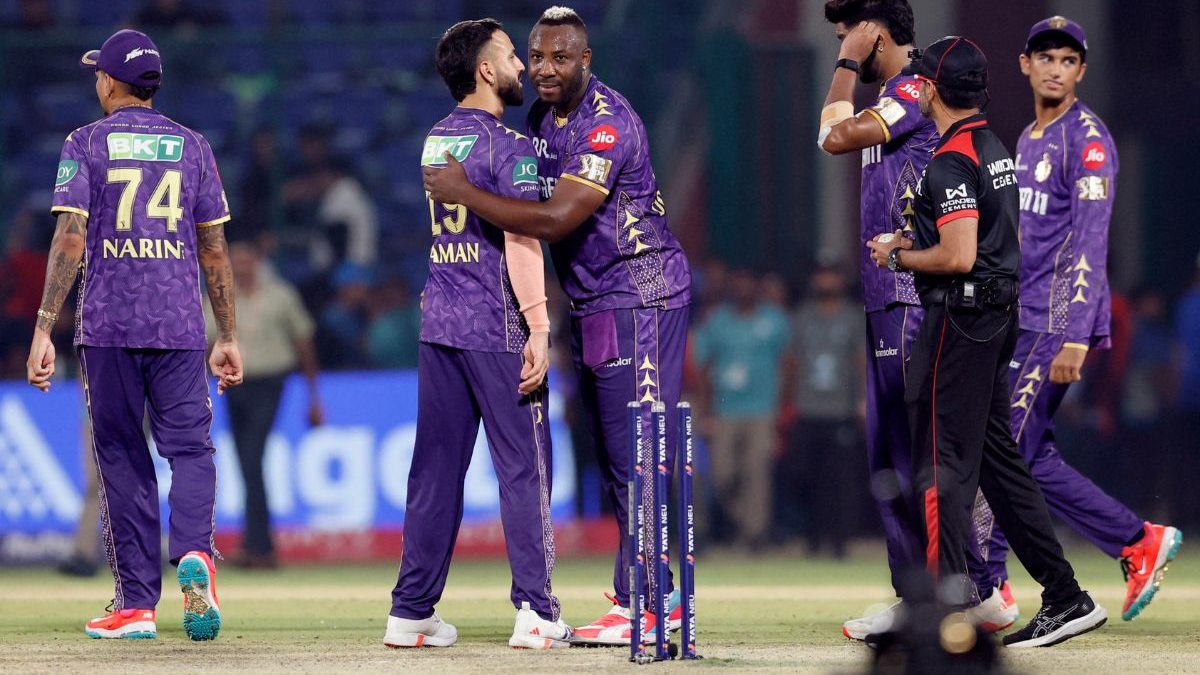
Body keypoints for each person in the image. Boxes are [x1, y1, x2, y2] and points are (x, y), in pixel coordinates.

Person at [422, 6, 693, 646]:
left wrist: (463, 191)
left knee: (641, 453)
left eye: (559, 58)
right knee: (611, 456)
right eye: (536, 56)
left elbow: (555, 219)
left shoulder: (608, 123)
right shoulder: (542, 117)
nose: (543, 69)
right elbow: (528, 201)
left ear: (586, 61)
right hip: (593, 301)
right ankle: (636, 598)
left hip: (641, 294)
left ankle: (661, 601)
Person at [866, 36, 1106, 648]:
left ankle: (943, 611)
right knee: (999, 467)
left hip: (961, 324)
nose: (914, 86)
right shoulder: (993, 144)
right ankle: (1065, 594)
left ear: (934, 90)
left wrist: (898, 254)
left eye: (921, 79)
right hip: (995, 321)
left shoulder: (951, 158)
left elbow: (958, 253)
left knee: (939, 469)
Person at [25, 29, 242, 641]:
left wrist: (43, 327)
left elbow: (70, 238)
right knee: (191, 452)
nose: (96, 81)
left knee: (121, 457)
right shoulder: (193, 147)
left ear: (113, 82)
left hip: (108, 329)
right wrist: (226, 332)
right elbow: (215, 251)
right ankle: (196, 550)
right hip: (179, 328)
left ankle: (137, 605)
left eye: (99, 73)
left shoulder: (84, 143)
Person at [966, 16, 1183, 623]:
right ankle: (1137, 541)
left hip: (1054, 323)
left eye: (1067, 59)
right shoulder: (1031, 137)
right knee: (1028, 460)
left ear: (1081, 70)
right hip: (1023, 318)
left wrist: (1075, 334)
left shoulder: (1088, 141)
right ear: (1025, 65)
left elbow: (1091, 244)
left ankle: (991, 585)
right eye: (1046, 58)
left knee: (1000, 452)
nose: (1056, 68)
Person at [818, 0, 1019, 639]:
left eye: (848, 32)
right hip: (888, 293)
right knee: (898, 454)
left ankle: (976, 586)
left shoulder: (911, 87)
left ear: (875, 31)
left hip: (916, 292)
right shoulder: (898, 95)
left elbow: (833, 137)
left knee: (930, 450)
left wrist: (849, 61)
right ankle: (924, 594)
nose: (842, 45)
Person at [384, 18, 569, 650]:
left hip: (439, 322)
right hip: (496, 324)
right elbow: (521, 242)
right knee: (524, 470)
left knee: (434, 471)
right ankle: (537, 611)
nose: (525, 67)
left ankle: (410, 613)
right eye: (514, 56)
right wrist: (540, 328)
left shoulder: (437, 140)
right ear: (486, 70)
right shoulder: (508, 147)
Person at [205, 241, 323, 569]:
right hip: (234, 384)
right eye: (235, 261)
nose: (241, 267)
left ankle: (260, 546)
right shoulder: (220, 295)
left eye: (246, 260)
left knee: (252, 456)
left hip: (270, 382)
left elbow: (303, 342)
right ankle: (258, 545)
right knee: (246, 460)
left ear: (258, 262)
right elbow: (203, 340)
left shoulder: (280, 296)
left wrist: (314, 397)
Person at [692, 269, 790, 552]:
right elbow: (704, 367)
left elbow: (788, 363)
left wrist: (783, 405)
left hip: (762, 409)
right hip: (726, 410)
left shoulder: (774, 320)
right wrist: (706, 410)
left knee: (757, 471)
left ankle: (755, 535)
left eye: (749, 284)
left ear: (757, 288)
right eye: (738, 285)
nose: (743, 290)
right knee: (722, 474)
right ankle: (744, 519)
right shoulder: (717, 321)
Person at [781, 264, 864, 557]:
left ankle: (839, 542)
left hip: (840, 410)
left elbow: (860, 361)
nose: (826, 279)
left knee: (840, 481)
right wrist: (788, 401)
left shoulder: (853, 316)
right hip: (808, 408)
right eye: (821, 273)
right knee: (807, 477)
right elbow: (791, 362)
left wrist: (862, 400)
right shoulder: (803, 316)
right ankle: (812, 539)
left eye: (832, 273)